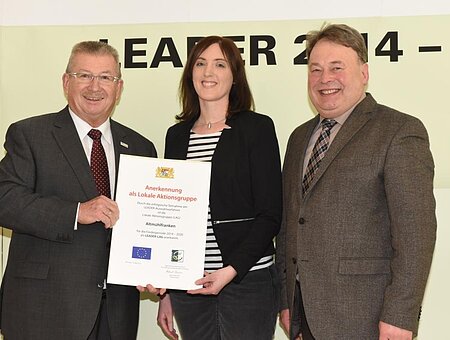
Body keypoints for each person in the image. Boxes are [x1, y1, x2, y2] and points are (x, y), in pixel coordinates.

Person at [276, 23, 436, 340]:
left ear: (364, 73)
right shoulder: (298, 138)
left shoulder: (399, 131)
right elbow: (290, 223)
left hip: (368, 318)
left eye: (337, 68)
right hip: (305, 316)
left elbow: (416, 234)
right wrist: (287, 300)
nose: (325, 79)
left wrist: (400, 316)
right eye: (315, 69)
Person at [0, 41, 157, 339]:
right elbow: (4, 199)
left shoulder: (140, 147)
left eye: (106, 77)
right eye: (84, 75)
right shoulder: (31, 135)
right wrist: (76, 212)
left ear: (119, 86)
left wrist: (153, 269)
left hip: (116, 314)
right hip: (45, 309)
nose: (95, 87)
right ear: (66, 81)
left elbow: (144, 225)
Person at [141, 35, 282, 340]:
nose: (208, 72)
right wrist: (166, 290)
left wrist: (230, 271)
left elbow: (270, 215)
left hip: (247, 280)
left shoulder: (257, 128)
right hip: (189, 284)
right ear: (190, 73)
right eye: (201, 63)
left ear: (234, 77)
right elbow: (171, 214)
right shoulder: (176, 136)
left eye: (220, 64)